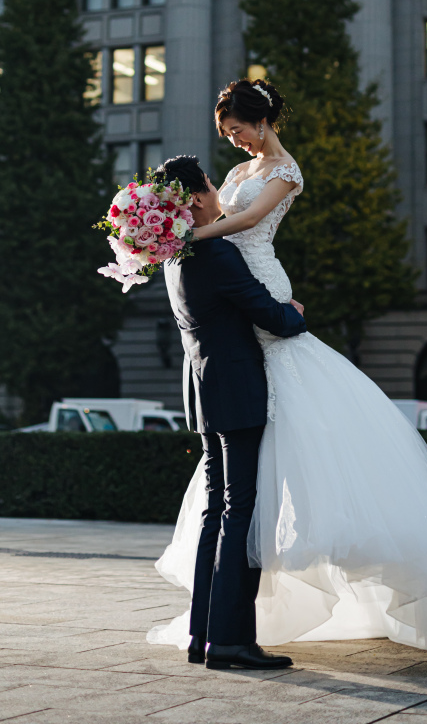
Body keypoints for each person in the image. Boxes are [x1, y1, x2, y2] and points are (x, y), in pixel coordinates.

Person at [147, 78, 427, 671]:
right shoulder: (225, 195)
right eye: (225, 135)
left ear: (261, 122)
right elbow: (228, 223)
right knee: (244, 488)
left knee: (254, 472)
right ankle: (231, 629)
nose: (232, 142)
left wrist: (188, 234)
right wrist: (197, 242)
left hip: (251, 280)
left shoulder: (283, 172)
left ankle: (227, 626)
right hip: (243, 296)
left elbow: (249, 218)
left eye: (236, 130)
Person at [153, 153, 307, 671]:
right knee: (239, 512)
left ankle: (205, 636)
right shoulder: (215, 254)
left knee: (216, 511)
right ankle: (233, 642)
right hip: (239, 392)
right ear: (197, 198)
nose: (220, 191)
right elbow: (270, 316)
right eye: (211, 186)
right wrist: (295, 314)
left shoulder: (175, 257)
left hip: (205, 391)